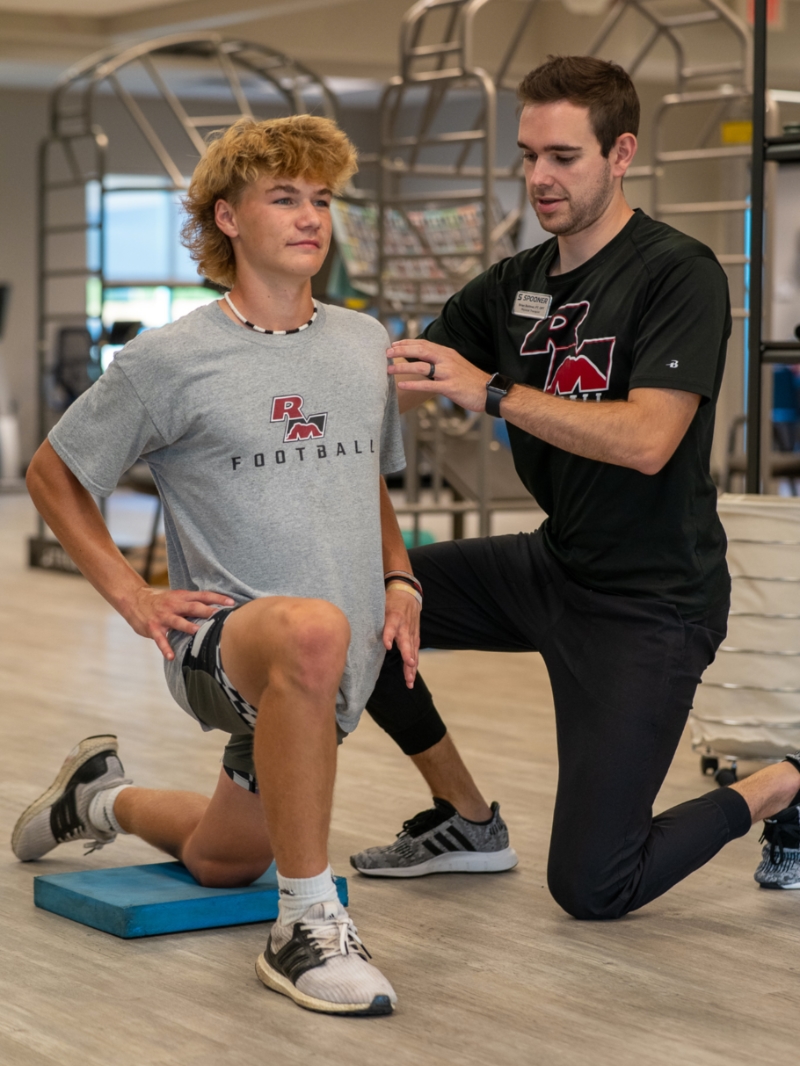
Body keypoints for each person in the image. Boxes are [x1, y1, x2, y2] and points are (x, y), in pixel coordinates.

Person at [349, 54, 800, 915]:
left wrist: (489, 392)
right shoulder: (513, 283)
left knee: (594, 886)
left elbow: (648, 440)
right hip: (554, 567)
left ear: (620, 153)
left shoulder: (679, 272)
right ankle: (466, 818)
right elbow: (398, 375)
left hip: (652, 602)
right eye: (529, 156)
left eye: (563, 156)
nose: (540, 178)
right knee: (349, 609)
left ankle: (784, 783)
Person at [13, 115, 420, 1015]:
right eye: (285, 198)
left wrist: (399, 576)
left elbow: (365, 476)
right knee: (311, 628)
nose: (310, 217)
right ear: (228, 218)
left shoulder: (363, 342)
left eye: (322, 200)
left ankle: (99, 798)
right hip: (223, 645)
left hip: (321, 673)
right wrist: (133, 595)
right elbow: (51, 472)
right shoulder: (169, 359)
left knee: (222, 859)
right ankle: (303, 925)